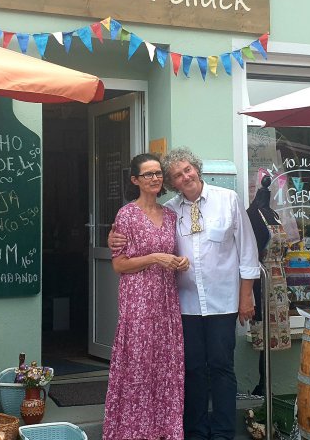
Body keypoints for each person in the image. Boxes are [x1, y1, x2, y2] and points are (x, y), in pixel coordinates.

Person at [110, 146, 261, 440]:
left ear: (196, 169)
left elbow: (248, 252)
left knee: (221, 367)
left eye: (187, 170)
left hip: (222, 302)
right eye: (177, 175)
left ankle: (222, 433)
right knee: (191, 369)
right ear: (173, 183)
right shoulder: (171, 210)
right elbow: (138, 242)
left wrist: (246, 297)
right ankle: (194, 432)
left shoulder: (228, 199)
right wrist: (114, 238)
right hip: (184, 304)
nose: (185, 177)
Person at [103, 153, 188, 440]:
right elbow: (119, 265)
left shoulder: (171, 214)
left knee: (165, 367)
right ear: (135, 180)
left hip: (166, 301)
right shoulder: (126, 215)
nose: (155, 178)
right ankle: (133, 432)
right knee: (138, 366)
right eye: (148, 174)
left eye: (158, 173)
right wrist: (154, 258)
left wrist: (181, 261)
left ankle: (164, 430)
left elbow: (177, 253)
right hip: (137, 302)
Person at [246, 175, 291, 397]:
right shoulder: (252, 216)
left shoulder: (274, 214)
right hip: (262, 281)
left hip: (279, 279)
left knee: (273, 335)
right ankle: (262, 385)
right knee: (264, 332)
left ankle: (266, 385)